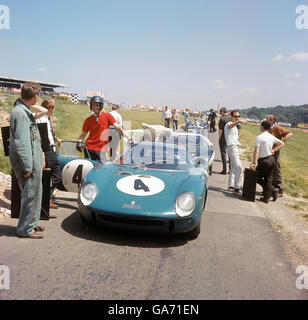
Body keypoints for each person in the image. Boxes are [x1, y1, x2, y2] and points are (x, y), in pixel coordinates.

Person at [9, 82, 45, 239]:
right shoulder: (21, 114)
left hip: (33, 160)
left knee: (36, 193)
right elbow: (22, 143)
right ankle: (24, 229)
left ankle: (31, 223)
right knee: (30, 195)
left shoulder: (24, 110)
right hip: (27, 163)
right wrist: (28, 167)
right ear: (36, 96)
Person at [77, 96, 131, 162]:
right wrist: (79, 142)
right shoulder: (88, 120)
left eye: (97, 105)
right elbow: (83, 134)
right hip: (88, 148)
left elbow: (118, 127)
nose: (95, 107)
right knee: (89, 169)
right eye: (93, 105)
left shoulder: (107, 116)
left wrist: (128, 137)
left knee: (101, 169)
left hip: (101, 150)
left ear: (101, 106)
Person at [36, 98, 63, 212]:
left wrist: (56, 139)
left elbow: (49, 133)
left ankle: (45, 198)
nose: (52, 110)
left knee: (54, 175)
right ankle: (44, 199)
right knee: (53, 175)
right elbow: (42, 135)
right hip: (46, 150)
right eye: (51, 108)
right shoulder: (41, 118)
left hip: (51, 148)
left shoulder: (46, 118)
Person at [250, 120, 284, 203]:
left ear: (262, 126)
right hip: (271, 159)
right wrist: (274, 150)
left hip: (263, 160)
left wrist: (254, 163)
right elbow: (282, 143)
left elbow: (256, 151)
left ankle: (272, 190)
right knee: (268, 179)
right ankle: (267, 197)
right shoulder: (271, 136)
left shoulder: (259, 137)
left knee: (257, 178)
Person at [266, 115, 293, 198]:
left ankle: (280, 189)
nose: (266, 120)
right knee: (270, 168)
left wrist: (281, 142)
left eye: (267, 119)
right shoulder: (268, 127)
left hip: (275, 150)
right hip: (268, 150)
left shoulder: (277, 127)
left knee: (276, 169)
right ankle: (272, 189)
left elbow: (290, 133)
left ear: (272, 121)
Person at [224, 110, 247, 196]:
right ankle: (237, 188)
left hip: (235, 147)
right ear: (231, 116)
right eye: (235, 116)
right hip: (232, 147)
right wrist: (239, 121)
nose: (237, 118)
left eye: (238, 117)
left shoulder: (235, 126)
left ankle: (231, 186)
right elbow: (230, 126)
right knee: (239, 168)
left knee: (233, 168)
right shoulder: (229, 124)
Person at [218, 107, 231, 175]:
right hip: (230, 138)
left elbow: (220, 130)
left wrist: (219, 138)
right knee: (230, 154)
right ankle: (230, 169)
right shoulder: (231, 118)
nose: (220, 114)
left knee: (223, 154)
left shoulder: (222, 119)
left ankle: (224, 170)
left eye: (220, 112)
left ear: (223, 112)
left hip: (223, 138)